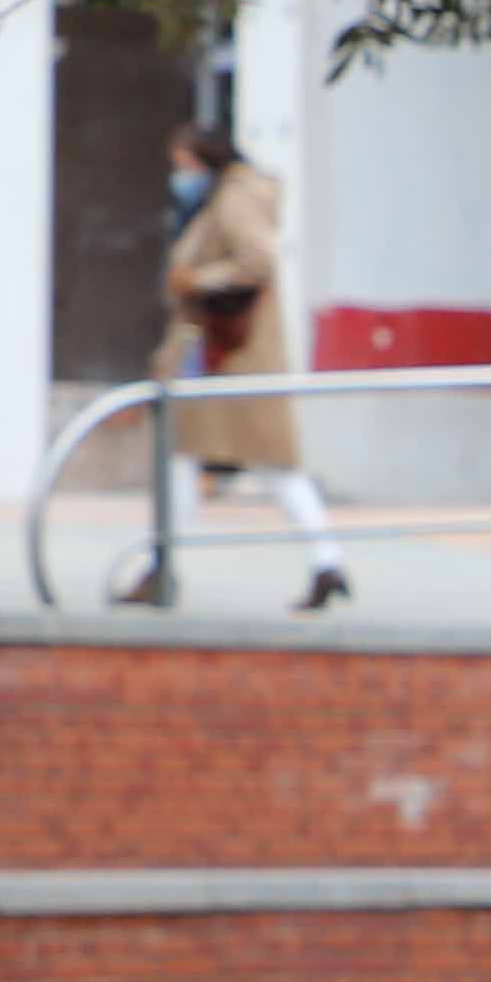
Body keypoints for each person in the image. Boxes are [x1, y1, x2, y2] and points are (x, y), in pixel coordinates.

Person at [163, 119, 348, 613]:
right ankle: (326, 562)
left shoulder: (235, 199)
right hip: (225, 354)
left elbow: (256, 262)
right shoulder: (224, 196)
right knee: (194, 454)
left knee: (241, 459)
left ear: (205, 161)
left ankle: (164, 567)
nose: (179, 177)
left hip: (234, 355)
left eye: (183, 166)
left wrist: (196, 279)